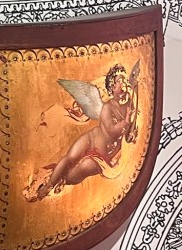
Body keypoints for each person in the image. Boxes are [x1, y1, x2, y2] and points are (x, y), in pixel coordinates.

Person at [23, 64, 138, 202]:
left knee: (82, 169)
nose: (124, 83)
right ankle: (49, 184)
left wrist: (130, 128)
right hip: (92, 138)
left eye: (125, 79)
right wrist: (126, 121)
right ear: (112, 87)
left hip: (105, 157)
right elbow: (111, 130)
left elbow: (123, 134)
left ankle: (59, 182)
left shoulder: (130, 104)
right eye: (120, 80)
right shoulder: (107, 107)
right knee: (70, 158)